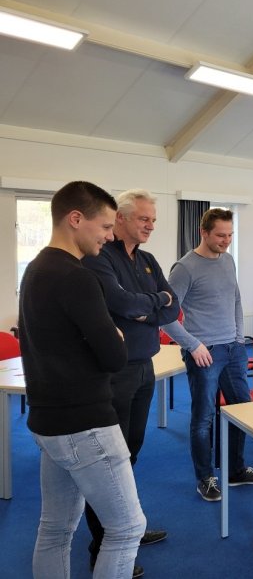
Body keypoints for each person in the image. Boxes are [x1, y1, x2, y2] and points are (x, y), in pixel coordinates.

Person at [19, 181, 146, 579]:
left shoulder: (36, 269)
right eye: (105, 226)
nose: (109, 236)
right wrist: (118, 335)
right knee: (127, 529)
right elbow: (113, 355)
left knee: (56, 529)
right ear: (76, 219)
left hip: (47, 422)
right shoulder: (78, 278)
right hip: (86, 425)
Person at [81, 189, 179, 569]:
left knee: (130, 453)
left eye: (153, 219)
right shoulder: (100, 257)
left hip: (144, 367)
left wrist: (149, 306)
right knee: (109, 460)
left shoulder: (149, 259)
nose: (150, 225)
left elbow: (173, 306)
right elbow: (121, 304)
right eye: (143, 218)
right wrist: (155, 303)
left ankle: (126, 529)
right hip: (113, 372)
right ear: (119, 219)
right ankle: (102, 546)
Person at [162, 208, 253, 502]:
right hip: (204, 353)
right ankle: (206, 477)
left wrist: (237, 337)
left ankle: (235, 470)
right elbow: (165, 317)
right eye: (220, 235)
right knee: (203, 418)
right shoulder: (184, 268)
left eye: (230, 235)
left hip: (233, 350)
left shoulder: (228, 261)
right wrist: (193, 345)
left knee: (241, 410)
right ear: (203, 232)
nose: (226, 241)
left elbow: (235, 300)